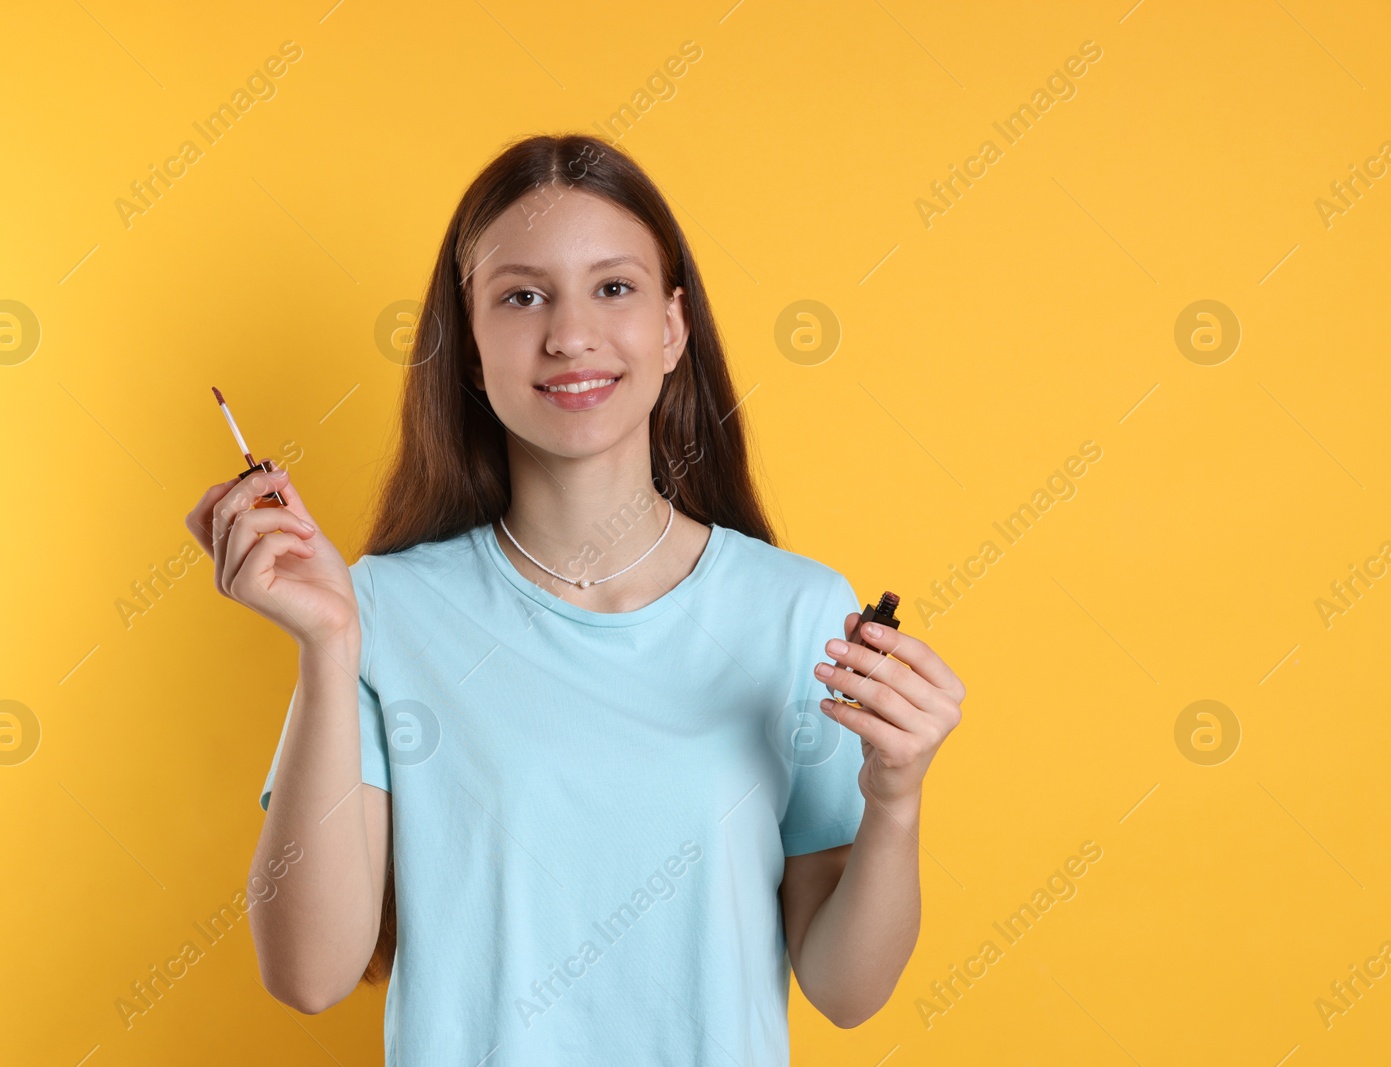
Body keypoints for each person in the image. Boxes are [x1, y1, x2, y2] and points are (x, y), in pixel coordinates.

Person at [185, 133, 965, 1065]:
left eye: (614, 287)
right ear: (469, 347)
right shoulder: (379, 611)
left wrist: (895, 798)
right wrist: (325, 645)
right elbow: (308, 976)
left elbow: (847, 989)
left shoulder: (796, 612)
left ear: (674, 328)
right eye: (521, 296)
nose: (569, 333)